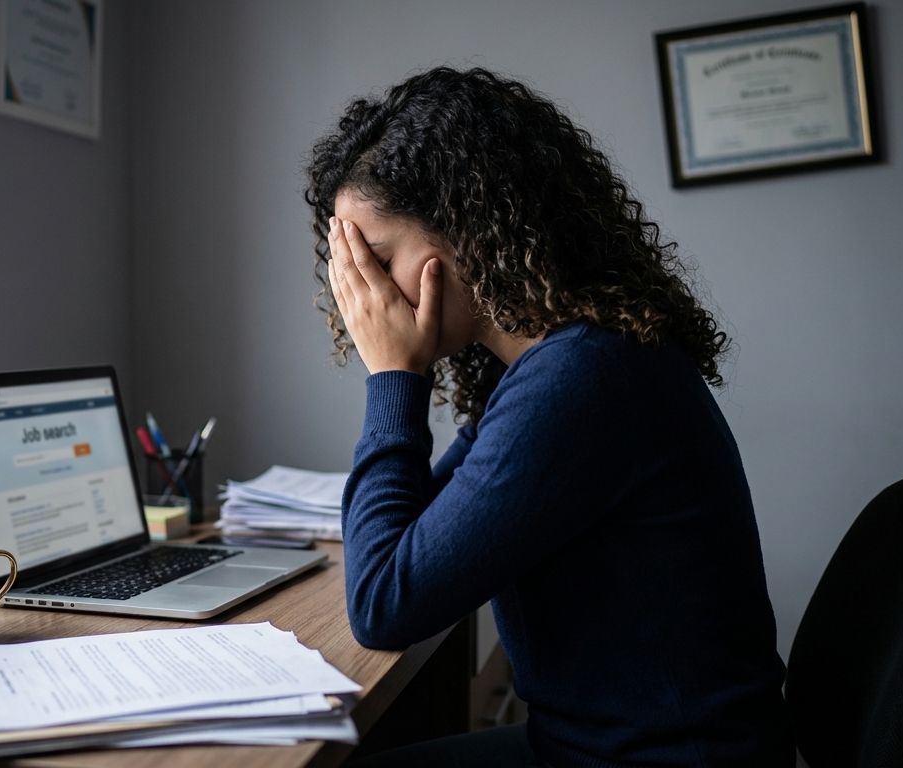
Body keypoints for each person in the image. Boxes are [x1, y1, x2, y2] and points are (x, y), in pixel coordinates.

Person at [304, 67, 794, 767]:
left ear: (468, 230)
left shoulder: (586, 377)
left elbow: (385, 604)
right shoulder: (556, 367)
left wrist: (393, 375)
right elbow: (415, 539)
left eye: (376, 260)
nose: (365, 297)